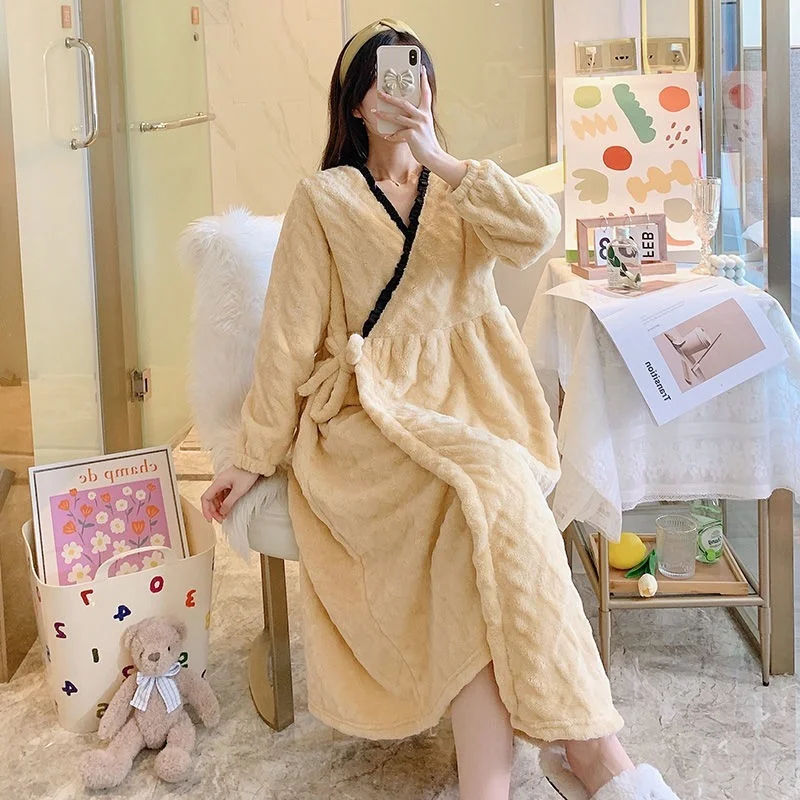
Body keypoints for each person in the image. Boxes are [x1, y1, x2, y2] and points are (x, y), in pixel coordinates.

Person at [201, 18, 681, 800]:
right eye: (387, 78)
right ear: (357, 104)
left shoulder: (463, 188)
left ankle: (524, 775)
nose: (406, 88)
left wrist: (442, 161)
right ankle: (596, 759)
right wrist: (249, 458)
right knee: (484, 493)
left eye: (418, 72)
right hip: (367, 420)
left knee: (478, 511)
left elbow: (539, 231)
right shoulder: (323, 199)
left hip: (474, 404)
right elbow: (287, 339)